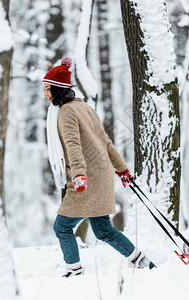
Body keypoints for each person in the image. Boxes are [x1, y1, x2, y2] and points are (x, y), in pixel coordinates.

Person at [43, 57, 155, 277]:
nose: (45, 94)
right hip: (100, 175)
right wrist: (122, 170)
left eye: (48, 89)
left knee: (62, 226)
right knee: (104, 230)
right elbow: (105, 141)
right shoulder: (84, 107)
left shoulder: (66, 112)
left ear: (58, 89)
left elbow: (73, 145)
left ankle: (74, 270)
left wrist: (79, 176)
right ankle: (141, 262)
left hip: (86, 178)